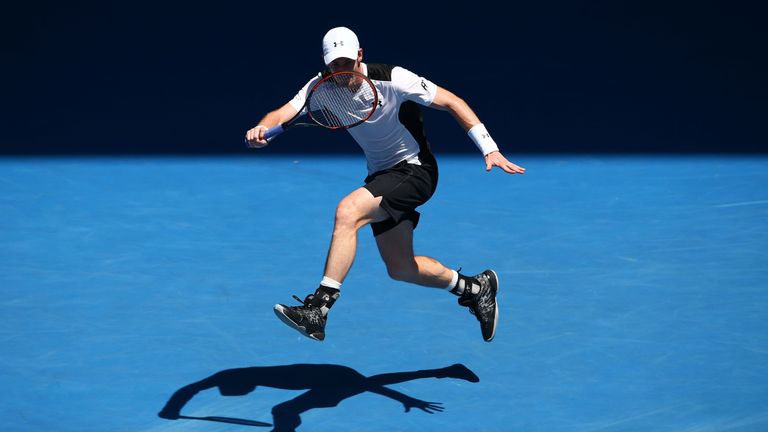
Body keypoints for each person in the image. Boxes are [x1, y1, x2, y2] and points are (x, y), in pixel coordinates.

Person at [245, 26, 525, 343]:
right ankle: (476, 288)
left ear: (360, 56)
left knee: (348, 211)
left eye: (347, 63)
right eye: (334, 65)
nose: (341, 71)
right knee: (401, 267)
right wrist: (261, 128)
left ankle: (319, 309)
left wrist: (489, 148)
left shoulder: (393, 78)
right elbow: (283, 112)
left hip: (415, 170)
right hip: (382, 176)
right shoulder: (319, 87)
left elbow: (452, 102)